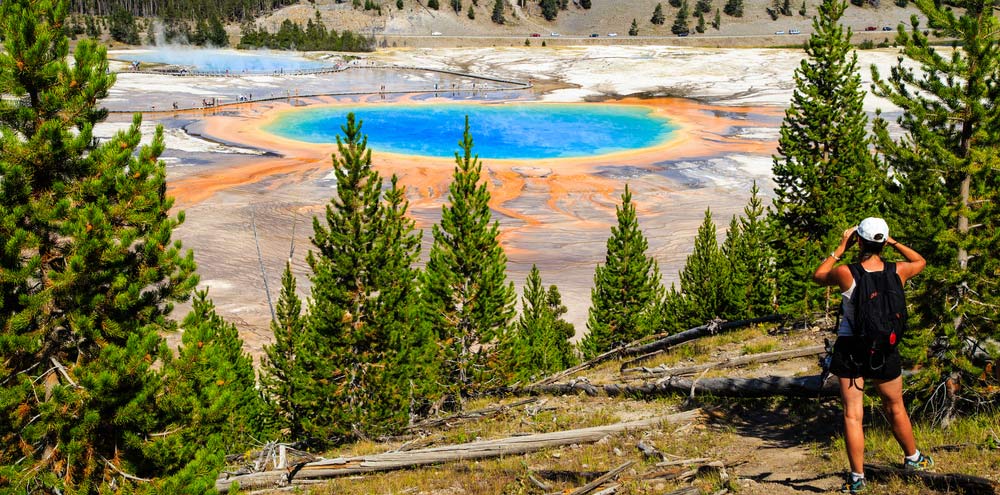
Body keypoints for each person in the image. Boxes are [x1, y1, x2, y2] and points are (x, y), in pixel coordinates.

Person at [813, 217, 933, 493]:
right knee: (895, 406)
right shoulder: (898, 271)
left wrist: (840, 248)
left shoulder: (847, 272)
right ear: (882, 242)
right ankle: (913, 458)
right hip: (885, 348)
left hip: (851, 348)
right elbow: (921, 261)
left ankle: (858, 478)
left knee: (853, 414)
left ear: (859, 240)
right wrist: (893, 242)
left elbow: (818, 276)